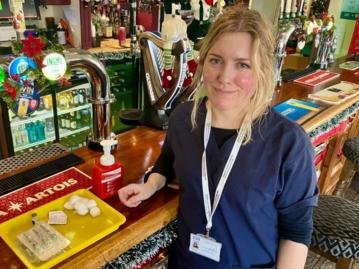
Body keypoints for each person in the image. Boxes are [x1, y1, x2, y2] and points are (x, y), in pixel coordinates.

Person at [118, 5, 318, 269]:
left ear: (262, 71)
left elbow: (296, 231)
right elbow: (168, 160)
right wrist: (151, 185)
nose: (225, 77)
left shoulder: (289, 143)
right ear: (202, 62)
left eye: (243, 65)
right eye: (216, 60)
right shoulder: (183, 117)